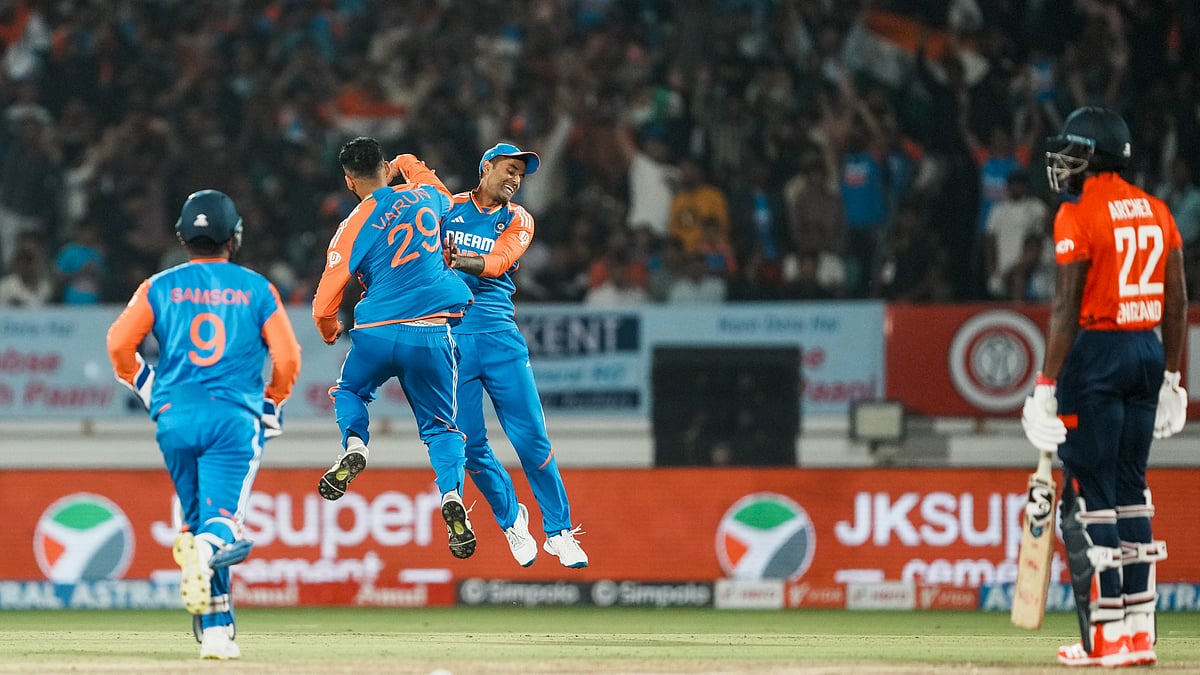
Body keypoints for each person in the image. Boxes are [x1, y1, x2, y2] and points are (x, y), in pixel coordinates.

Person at [1021, 106, 1187, 668]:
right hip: (1146, 351)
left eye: (1071, 151)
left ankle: (1109, 635)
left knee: (1092, 493)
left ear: (1094, 155)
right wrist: (1171, 376)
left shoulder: (1077, 212)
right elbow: (1178, 299)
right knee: (1132, 489)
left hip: (1098, 353)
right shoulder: (1157, 208)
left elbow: (1066, 306)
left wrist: (1046, 383)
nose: (1062, 163)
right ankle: (1140, 632)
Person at [105, 189, 302, 660]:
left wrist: (152, 390)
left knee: (199, 524)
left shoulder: (158, 285)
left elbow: (118, 345)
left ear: (180, 237)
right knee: (222, 528)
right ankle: (206, 554)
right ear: (235, 236)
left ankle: (216, 632)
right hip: (233, 418)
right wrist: (271, 402)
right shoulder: (257, 288)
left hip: (174, 420)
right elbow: (289, 356)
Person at [389, 143, 589, 568]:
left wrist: (459, 261)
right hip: (450, 342)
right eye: (509, 169)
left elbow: (500, 262)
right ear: (486, 168)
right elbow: (412, 173)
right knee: (468, 445)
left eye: (521, 173)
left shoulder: (518, 218)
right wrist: (393, 169)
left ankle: (558, 532)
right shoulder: (448, 207)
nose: (515, 179)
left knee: (532, 440)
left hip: (499, 339)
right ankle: (512, 518)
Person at [313, 136, 478, 561]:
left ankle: (354, 447)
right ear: (386, 168)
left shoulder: (350, 226)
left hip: (378, 331)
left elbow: (324, 301)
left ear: (350, 182)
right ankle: (451, 496)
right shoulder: (424, 196)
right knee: (441, 427)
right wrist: (410, 161)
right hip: (431, 331)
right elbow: (445, 195)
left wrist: (331, 330)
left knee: (350, 392)